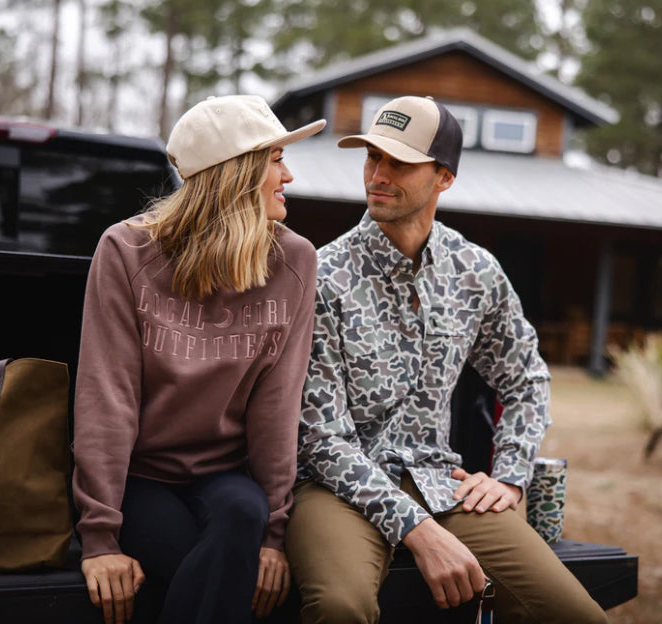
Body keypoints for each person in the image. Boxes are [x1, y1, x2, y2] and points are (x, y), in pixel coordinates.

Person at [287, 95, 608, 623]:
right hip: (339, 487)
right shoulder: (322, 276)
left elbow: (526, 376)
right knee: (341, 607)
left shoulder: (475, 271)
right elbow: (320, 439)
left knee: (578, 614)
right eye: (372, 157)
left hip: (442, 482)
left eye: (400, 162)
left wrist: (508, 475)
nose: (378, 174)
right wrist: (419, 531)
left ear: (444, 177)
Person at [72, 94, 325, 624]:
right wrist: (100, 538)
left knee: (244, 511)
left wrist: (276, 535)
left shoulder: (295, 261)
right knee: (215, 563)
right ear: (237, 173)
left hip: (221, 475)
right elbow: (108, 397)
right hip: (139, 477)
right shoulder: (126, 251)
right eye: (276, 160)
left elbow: (277, 408)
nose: (290, 176)